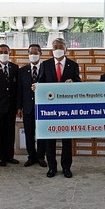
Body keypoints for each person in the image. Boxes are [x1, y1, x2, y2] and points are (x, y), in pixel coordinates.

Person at [38, 37, 82, 178]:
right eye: (55, 47)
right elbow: (40, 83)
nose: (57, 49)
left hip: (67, 110)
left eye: (60, 47)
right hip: (50, 109)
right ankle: (52, 168)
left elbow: (79, 83)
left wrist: (73, 82)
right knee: (50, 141)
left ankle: (66, 168)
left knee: (66, 141)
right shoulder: (45, 64)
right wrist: (35, 87)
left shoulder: (73, 65)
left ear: (66, 49)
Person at [17, 44, 47, 168]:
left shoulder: (46, 68)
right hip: (28, 107)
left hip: (43, 108)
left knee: (41, 134)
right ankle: (31, 157)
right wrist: (19, 107)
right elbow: (19, 90)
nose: (33, 55)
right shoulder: (22, 70)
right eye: (31, 53)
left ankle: (41, 157)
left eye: (35, 53)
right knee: (29, 133)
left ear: (40, 54)